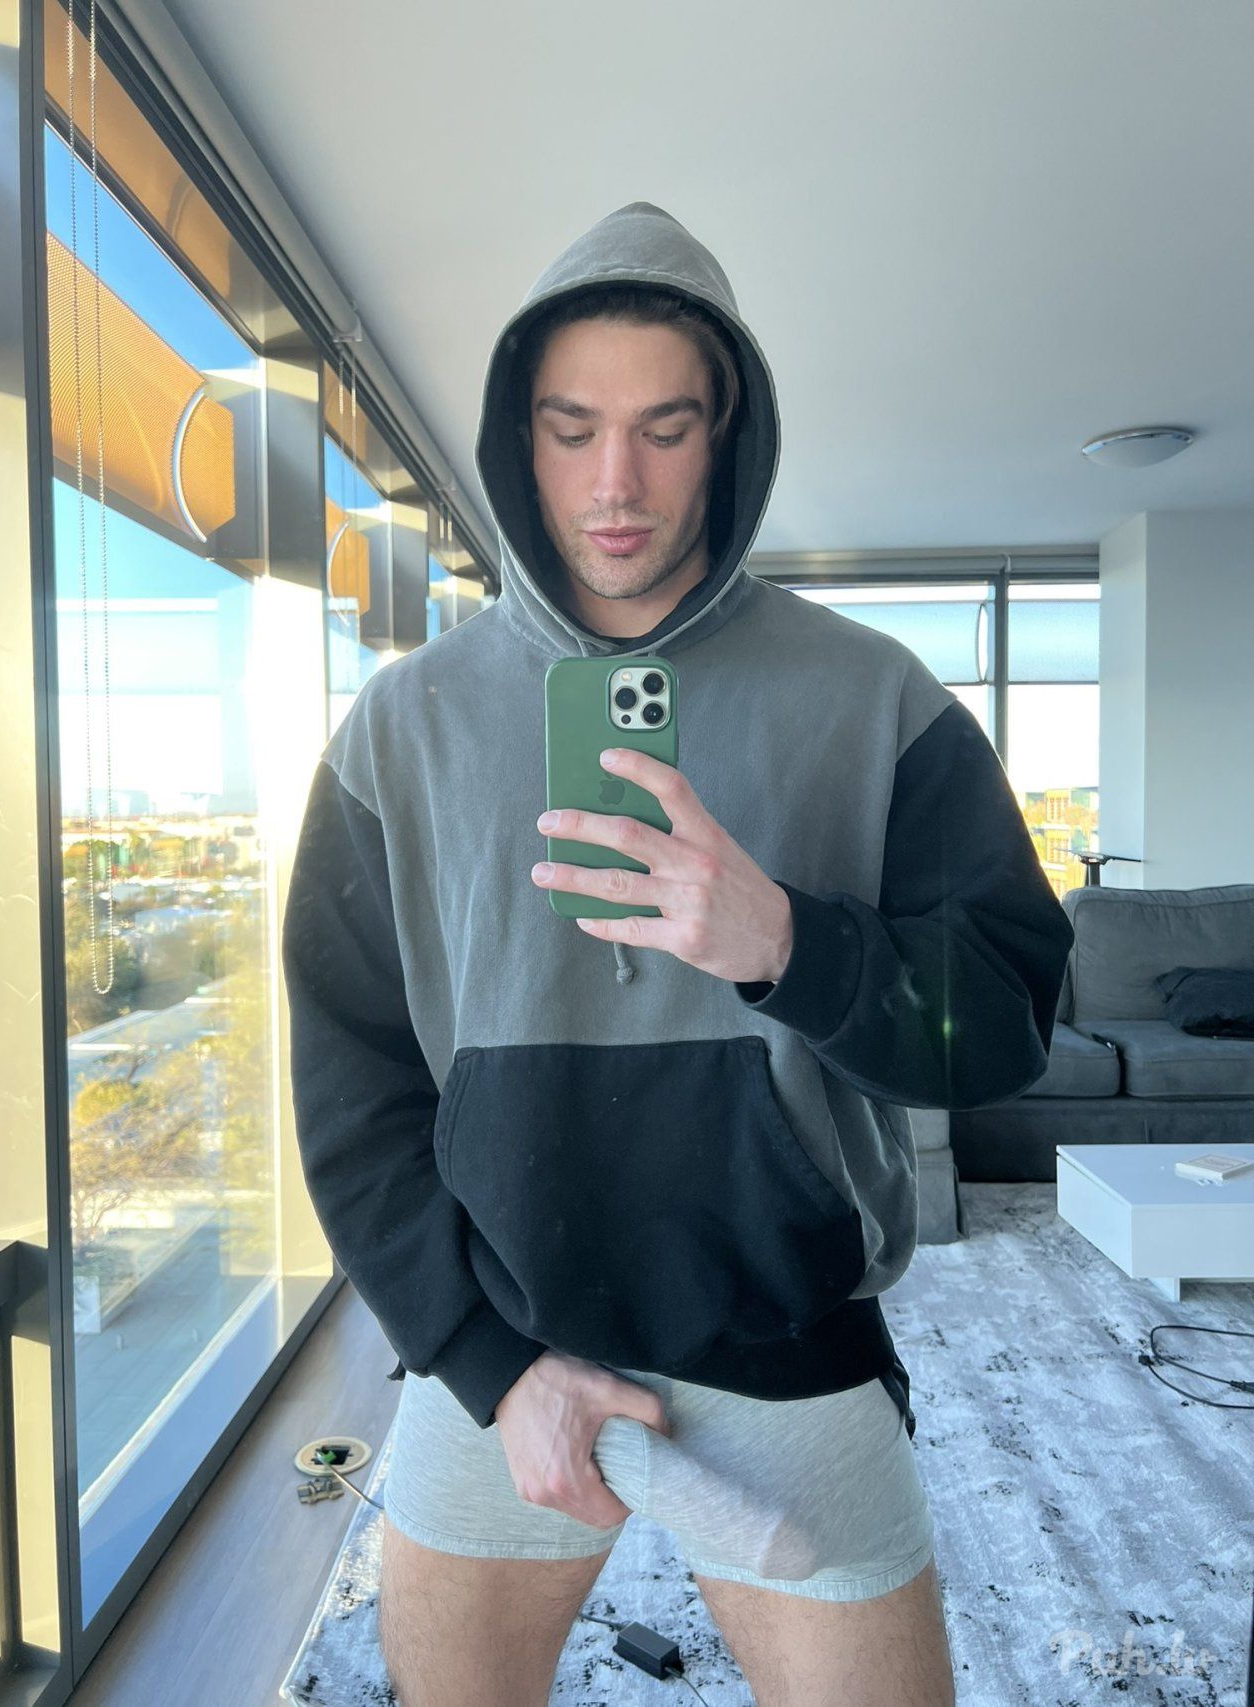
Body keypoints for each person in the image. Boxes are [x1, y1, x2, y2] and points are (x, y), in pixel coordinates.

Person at [281, 199, 1075, 1705]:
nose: (616, 484)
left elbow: (1008, 1027)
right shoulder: (401, 728)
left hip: (790, 1343)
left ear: (729, 436)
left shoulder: (879, 700)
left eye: (665, 428)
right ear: (519, 438)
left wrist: (789, 946)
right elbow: (351, 1091)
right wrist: (484, 1362)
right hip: (502, 1357)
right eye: (572, 429)